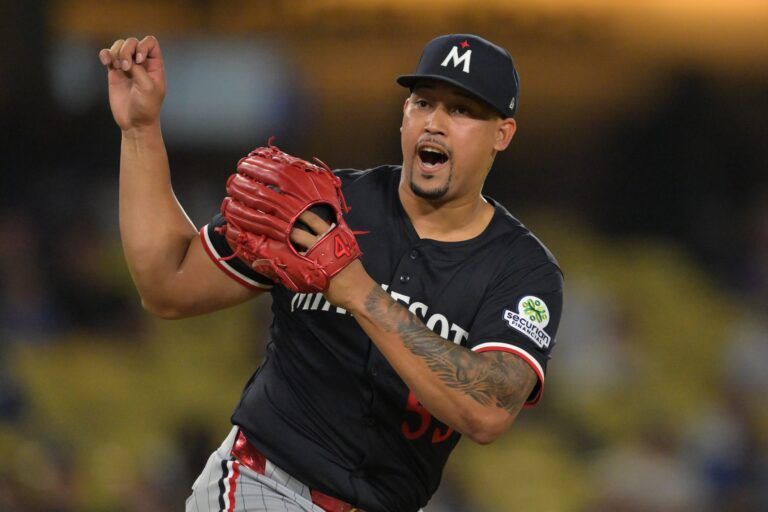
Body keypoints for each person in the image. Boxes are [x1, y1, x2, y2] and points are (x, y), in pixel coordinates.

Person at [99, 33, 563, 512]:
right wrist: (140, 130)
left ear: (502, 134)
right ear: (405, 113)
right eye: (424, 102)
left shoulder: (522, 270)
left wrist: (358, 290)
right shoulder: (323, 206)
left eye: (462, 110)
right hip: (267, 483)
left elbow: (488, 411)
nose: (436, 123)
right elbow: (167, 285)